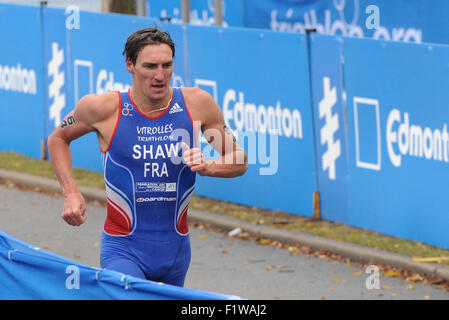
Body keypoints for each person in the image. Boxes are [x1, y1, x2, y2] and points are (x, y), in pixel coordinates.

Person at [48, 27, 247, 287]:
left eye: (167, 65)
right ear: (130, 65)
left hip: (175, 251)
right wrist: (71, 192)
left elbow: (238, 159)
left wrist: (209, 166)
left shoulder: (197, 103)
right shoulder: (102, 108)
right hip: (123, 249)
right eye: (150, 66)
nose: (160, 76)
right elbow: (58, 139)